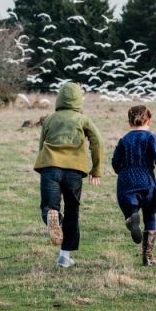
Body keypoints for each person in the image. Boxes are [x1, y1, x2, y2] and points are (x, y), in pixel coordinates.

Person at [33, 82, 103, 268]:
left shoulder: (49, 119)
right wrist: (96, 169)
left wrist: (44, 164)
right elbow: (98, 142)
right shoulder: (83, 119)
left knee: (49, 208)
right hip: (74, 170)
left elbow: (41, 145)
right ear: (79, 99)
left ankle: (54, 219)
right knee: (72, 209)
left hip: (50, 167)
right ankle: (65, 256)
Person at [111, 105, 156, 266]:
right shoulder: (152, 138)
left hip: (126, 179)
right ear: (149, 120)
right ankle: (147, 257)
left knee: (131, 206)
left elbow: (115, 162)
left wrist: (122, 172)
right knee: (150, 215)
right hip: (146, 178)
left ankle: (132, 216)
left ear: (129, 122)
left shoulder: (124, 140)